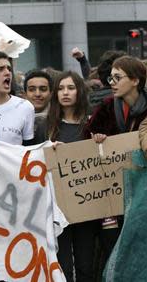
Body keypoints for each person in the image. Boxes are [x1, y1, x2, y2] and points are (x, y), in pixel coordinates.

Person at [85, 55, 147, 277]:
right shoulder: (106, 107)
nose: (111, 82)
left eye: (117, 77)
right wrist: (96, 137)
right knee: (112, 245)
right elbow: (85, 139)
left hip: (144, 193)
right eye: (110, 77)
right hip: (111, 192)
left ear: (135, 80)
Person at [35, 71, 96, 281]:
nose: (65, 93)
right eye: (61, 88)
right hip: (56, 207)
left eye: (70, 88)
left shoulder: (92, 125)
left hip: (87, 206)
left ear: (80, 91)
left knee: (86, 263)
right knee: (61, 265)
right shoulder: (45, 126)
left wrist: (101, 141)